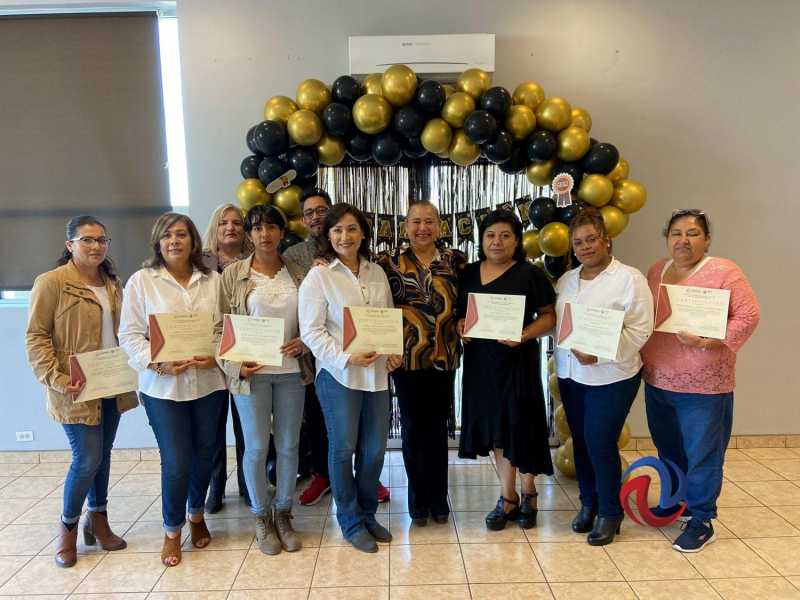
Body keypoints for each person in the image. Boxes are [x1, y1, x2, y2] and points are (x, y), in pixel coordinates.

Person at [641, 209, 760, 553]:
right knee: (669, 449)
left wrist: (710, 341)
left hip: (704, 386)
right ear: (667, 238)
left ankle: (702, 519)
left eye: (693, 233)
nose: (683, 240)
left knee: (703, 455)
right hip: (659, 379)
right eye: (676, 233)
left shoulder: (724, 271)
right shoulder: (657, 270)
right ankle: (678, 502)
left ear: (706, 239)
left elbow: (749, 315)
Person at [25, 216, 137, 568]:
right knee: (87, 458)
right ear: (70, 244)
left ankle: (98, 520)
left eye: (101, 240)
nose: (96, 246)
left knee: (102, 455)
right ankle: (68, 529)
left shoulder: (113, 283)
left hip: (112, 383)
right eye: (87, 239)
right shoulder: (52, 283)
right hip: (75, 388)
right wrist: (57, 378)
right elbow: (36, 337)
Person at [119, 212, 228, 567]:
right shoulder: (142, 281)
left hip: (209, 383)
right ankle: (171, 531)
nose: (174, 241)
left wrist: (214, 356)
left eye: (181, 234)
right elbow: (129, 335)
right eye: (167, 235)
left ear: (193, 241)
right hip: (163, 387)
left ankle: (196, 515)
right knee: (177, 460)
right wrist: (156, 362)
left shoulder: (212, 280)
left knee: (206, 454)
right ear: (158, 242)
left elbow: (222, 328)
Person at [298, 203, 398, 553]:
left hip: (376, 376)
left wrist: (393, 350)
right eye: (337, 229)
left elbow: (387, 318)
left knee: (374, 451)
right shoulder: (319, 277)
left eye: (352, 228)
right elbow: (311, 331)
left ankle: (368, 514)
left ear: (363, 233)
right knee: (343, 449)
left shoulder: (376, 272)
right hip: (338, 375)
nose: (345, 236)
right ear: (328, 235)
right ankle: (350, 521)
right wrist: (345, 357)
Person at [217, 205, 313, 555]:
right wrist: (235, 365)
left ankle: (283, 513)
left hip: (291, 373)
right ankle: (261, 515)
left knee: (288, 447)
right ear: (249, 234)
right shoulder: (233, 275)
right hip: (251, 377)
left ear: (282, 232)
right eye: (257, 228)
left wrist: (305, 341)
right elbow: (218, 328)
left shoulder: (300, 273)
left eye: (272, 227)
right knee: (257, 448)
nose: (265, 234)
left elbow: (317, 319)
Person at [554, 208, 654, 545]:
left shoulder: (629, 279)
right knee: (581, 441)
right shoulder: (567, 281)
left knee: (600, 441)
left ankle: (611, 512)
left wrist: (600, 354)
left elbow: (640, 329)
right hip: (571, 374)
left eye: (591, 239)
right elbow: (561, 325)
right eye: (578, 242)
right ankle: (589, 502)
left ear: (606, 240)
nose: (585, 247)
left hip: (612, 376)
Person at [456, 209, 556, 531]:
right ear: (481, 240)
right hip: (481, 365)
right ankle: (507, 496)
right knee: (496, 430)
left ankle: (529, 493)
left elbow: (549, 316)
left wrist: (524, 334)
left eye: (505, 235)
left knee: (521, 426)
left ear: (516, 241)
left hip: (518, 362)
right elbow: (460, 315)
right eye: (490, 235)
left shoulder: (531, 274)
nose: (496, 242)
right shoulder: (468, 273)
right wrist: (461, 325)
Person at [377, 201, 466, 526]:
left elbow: (467, 302)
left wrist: (465, 321)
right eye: (416, 222)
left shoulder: (455, 260)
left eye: (429, 221)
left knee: (437, 429)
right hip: (406, 357)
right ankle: (418, 500)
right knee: (413, 429)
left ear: (439, 226)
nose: (422, 228)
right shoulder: (387, 262)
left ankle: (439, 499)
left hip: (444, 355)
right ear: (405, 227)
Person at [201, 203, 254, 513]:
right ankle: (216, 486)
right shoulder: (199, 263)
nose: (230, 228)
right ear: (215, 228)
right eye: (224, 223)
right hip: (209, 355)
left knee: (247, 426)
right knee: (212, 428)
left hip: (244, 354)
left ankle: (249, 485)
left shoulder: (255, 260)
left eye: (236, 222)